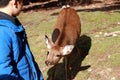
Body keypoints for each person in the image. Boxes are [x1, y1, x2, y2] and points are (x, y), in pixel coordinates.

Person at [0, 0, 44, 80]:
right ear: (15, 2)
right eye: (22, 2)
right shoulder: (2, 31)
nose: (23, 5)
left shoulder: (12, 23)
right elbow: (4, 71)